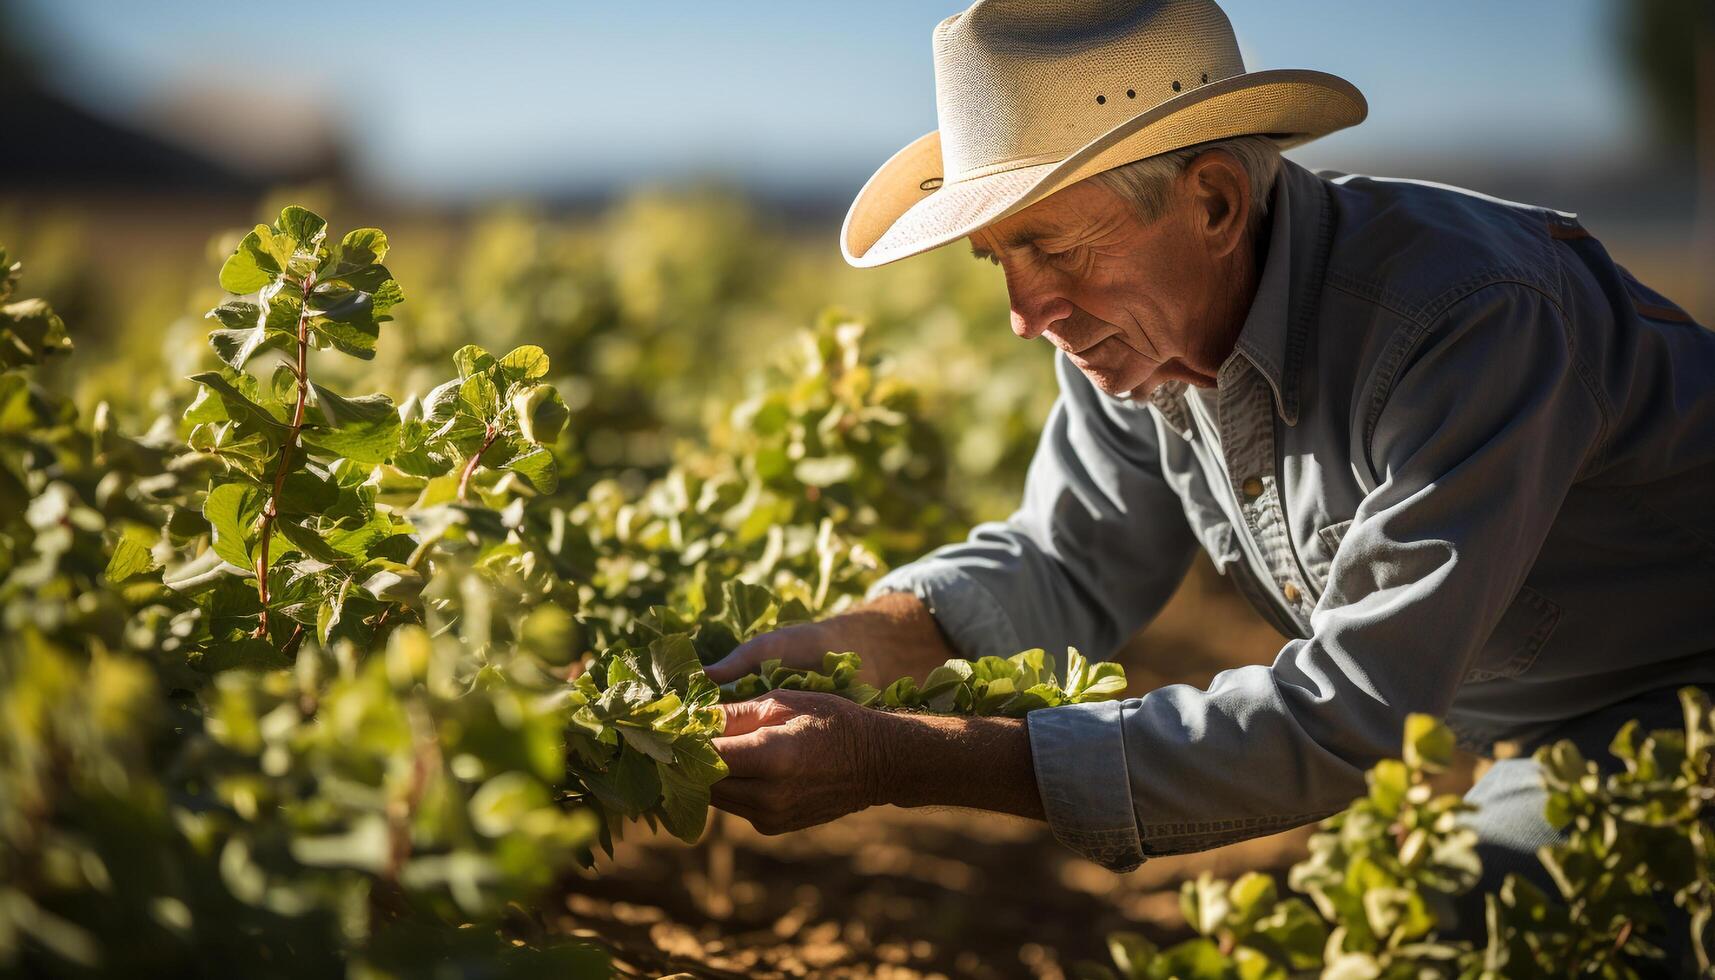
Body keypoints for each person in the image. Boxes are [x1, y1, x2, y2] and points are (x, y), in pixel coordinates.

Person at [706, 0, 1715, 952]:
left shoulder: (1468, 320)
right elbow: (1067, 555)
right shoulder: (1130, 329)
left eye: (1050, 245)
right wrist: (853, 642)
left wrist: (896, 755)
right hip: (1546, 723)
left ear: (1217, 201)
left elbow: (1342, 714)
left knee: (1435, 932)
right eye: (998, 257)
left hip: (1685, 698)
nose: (1024, 314)